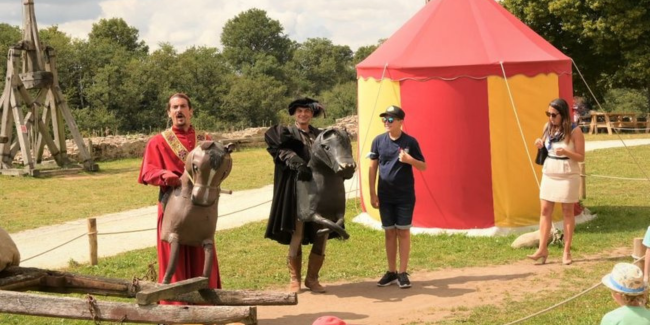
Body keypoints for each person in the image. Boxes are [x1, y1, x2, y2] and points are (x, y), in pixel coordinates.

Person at [138, 93, 220, 304]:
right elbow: (147, 172)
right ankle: (175, 307)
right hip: (172, 205)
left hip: (201, 206)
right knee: (174, 257)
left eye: (183, 106)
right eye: (174, 107)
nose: (179, 111)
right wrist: (165, 175)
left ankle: (207, 305)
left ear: (191, 111)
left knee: (203, 253)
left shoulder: (206, 141)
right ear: (169, 112)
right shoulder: (158, 142)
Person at [264, 97, 343, 293]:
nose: (303, 114)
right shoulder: (287, 133)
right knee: (297, 232)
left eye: (307, 111)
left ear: (312, 114)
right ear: (294, 113)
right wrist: (297, 162)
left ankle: (312, 279)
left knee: (321, 232)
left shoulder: (321, 135)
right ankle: (294, 279)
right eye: (299, 111)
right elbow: (278, 149)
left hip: (320, 191)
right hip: (297, 190)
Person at [368, 105, 426, 289]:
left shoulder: (410, 142)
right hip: (385, 195)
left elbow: (423, 166)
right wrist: (372, 193)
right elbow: (372, 168)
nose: (386, 122)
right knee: (389, 233)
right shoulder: (378, 141)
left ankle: (402, 272)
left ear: (401, 122)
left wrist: (410, 160)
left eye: (391, 119)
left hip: (405, 196)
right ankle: (391, 271)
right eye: (384, 119)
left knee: (403, 232)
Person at [528, 98, 585, 265]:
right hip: (550, 171)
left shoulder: (575, 131)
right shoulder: (547, 128)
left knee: (567, 210)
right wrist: (540, 145)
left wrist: (567, 152)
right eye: (548, 114)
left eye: (554, 114)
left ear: (563, 114)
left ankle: (566, 251)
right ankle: (542, 248)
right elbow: (548, 148)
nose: (550, 117)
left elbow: (581, 157)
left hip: (567, 173)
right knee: (545, 210)